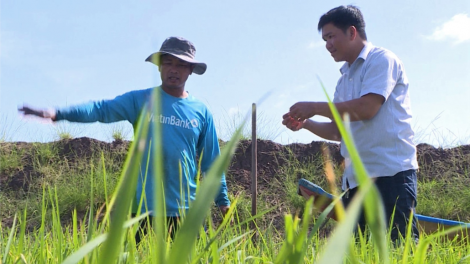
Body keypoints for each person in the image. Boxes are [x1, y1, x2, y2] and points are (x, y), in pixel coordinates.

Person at [19, 36, 231, 242]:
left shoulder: (201, 112)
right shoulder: (141, 100)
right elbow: (100, 109)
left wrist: (222, 200)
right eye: (168, 62)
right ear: (159, 66)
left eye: (181, 64)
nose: (173, 69)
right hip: (141, 210)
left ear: (191, 70)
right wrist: (58, 113)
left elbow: (212, 161)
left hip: (185, 210)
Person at [282, 5, 419, 242]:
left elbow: (367, 108)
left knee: (398, 249)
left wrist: (314, 106)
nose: (327, 44)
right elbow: (338, 131)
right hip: (356, 182)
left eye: (331, 36)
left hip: (391, 174)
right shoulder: (344, 80)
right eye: (325, 39)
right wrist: (306, 123)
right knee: (365, 253)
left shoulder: (381, 60)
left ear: (352, 32)